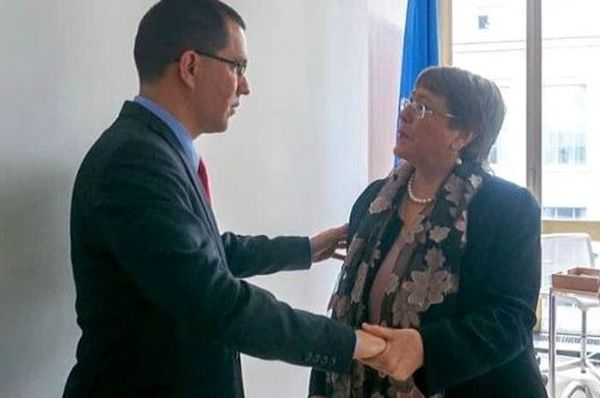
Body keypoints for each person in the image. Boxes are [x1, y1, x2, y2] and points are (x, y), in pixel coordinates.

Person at [62, 1, 386, 397]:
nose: (245, 86)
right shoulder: (136, 161)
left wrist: (304, 249)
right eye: (238, 67)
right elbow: (215, 300)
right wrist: (352, 344)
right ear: (190, 67)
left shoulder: (155, 150)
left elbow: (204, 253)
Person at [309, 66, 547, 397]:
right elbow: (345, 315)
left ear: (462, 135)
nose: (405, 113)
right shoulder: (374, 200)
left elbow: (511, 320)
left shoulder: (507, 208)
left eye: (423, 107)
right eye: (410, 101)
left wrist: (425, 348)